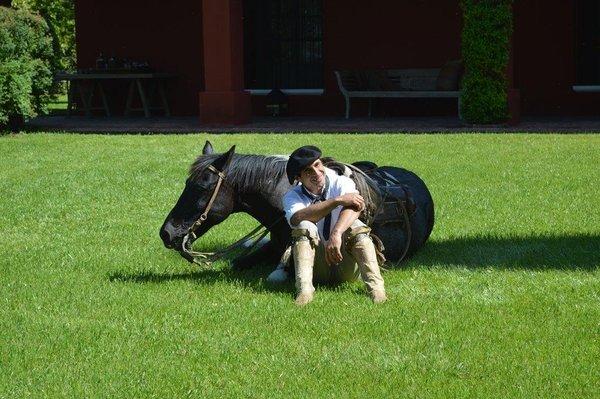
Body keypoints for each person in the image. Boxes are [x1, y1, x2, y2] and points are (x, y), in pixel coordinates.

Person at [279, 145, 387, 306]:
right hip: (317, 266)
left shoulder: (341, 182)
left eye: (317, 165)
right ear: (299, 178)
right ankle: (304, 292)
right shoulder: (292, 196)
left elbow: (356, 206)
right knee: (304, 227)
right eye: (308, 171)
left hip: (347, 262)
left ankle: (377, 290)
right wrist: (336, 201)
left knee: (356, 226)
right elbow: (297, 217)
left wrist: (336, 234)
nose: (316, 173)